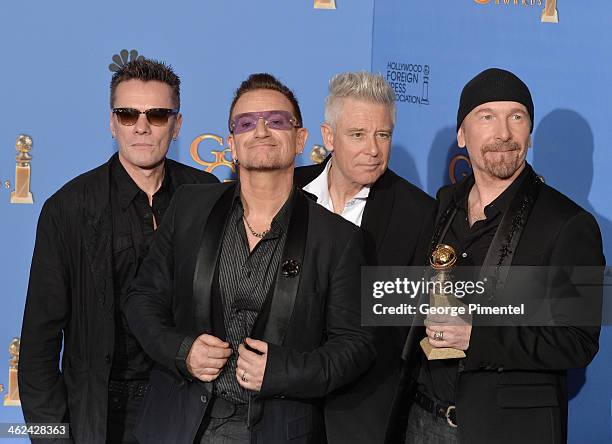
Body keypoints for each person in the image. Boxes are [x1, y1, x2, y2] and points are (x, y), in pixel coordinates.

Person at [123, 73, 376, 444]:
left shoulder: (338, 239)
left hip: (276, 429)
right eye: (246, 123)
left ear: (300, 139)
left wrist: (282, 371)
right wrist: (183, 351)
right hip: (179, 424)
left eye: (276, 121)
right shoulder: (190, 208)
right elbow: (141, 300)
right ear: (232, 144)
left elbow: (355, 345)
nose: (260, 131)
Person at [385, 67, 605, 444]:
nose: (503, 133)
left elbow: (577, 340)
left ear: (529, 134)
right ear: (461, 134)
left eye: (516, 117)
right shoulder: (444, 204)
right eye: (486, 116)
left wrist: (476, 335)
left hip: (507, 432)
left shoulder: (570, 224)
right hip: (419, 422)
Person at [19, 58, 218, 443]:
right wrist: (51, 438)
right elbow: (39, 346)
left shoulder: (207, 195)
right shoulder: (69, 208)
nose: (141, 126)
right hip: (102, 415)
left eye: (157, 115)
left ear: (177, 124)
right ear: (112, 123)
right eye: (128, 115)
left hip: (190, 407)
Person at [294, 71, 434, 444]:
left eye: (383, 135)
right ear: (328, 137)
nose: (373, 149)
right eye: (358, 134)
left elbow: (407, 324)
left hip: (364, 411)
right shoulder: (287, 192)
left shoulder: (418, 213)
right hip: (282, 400)